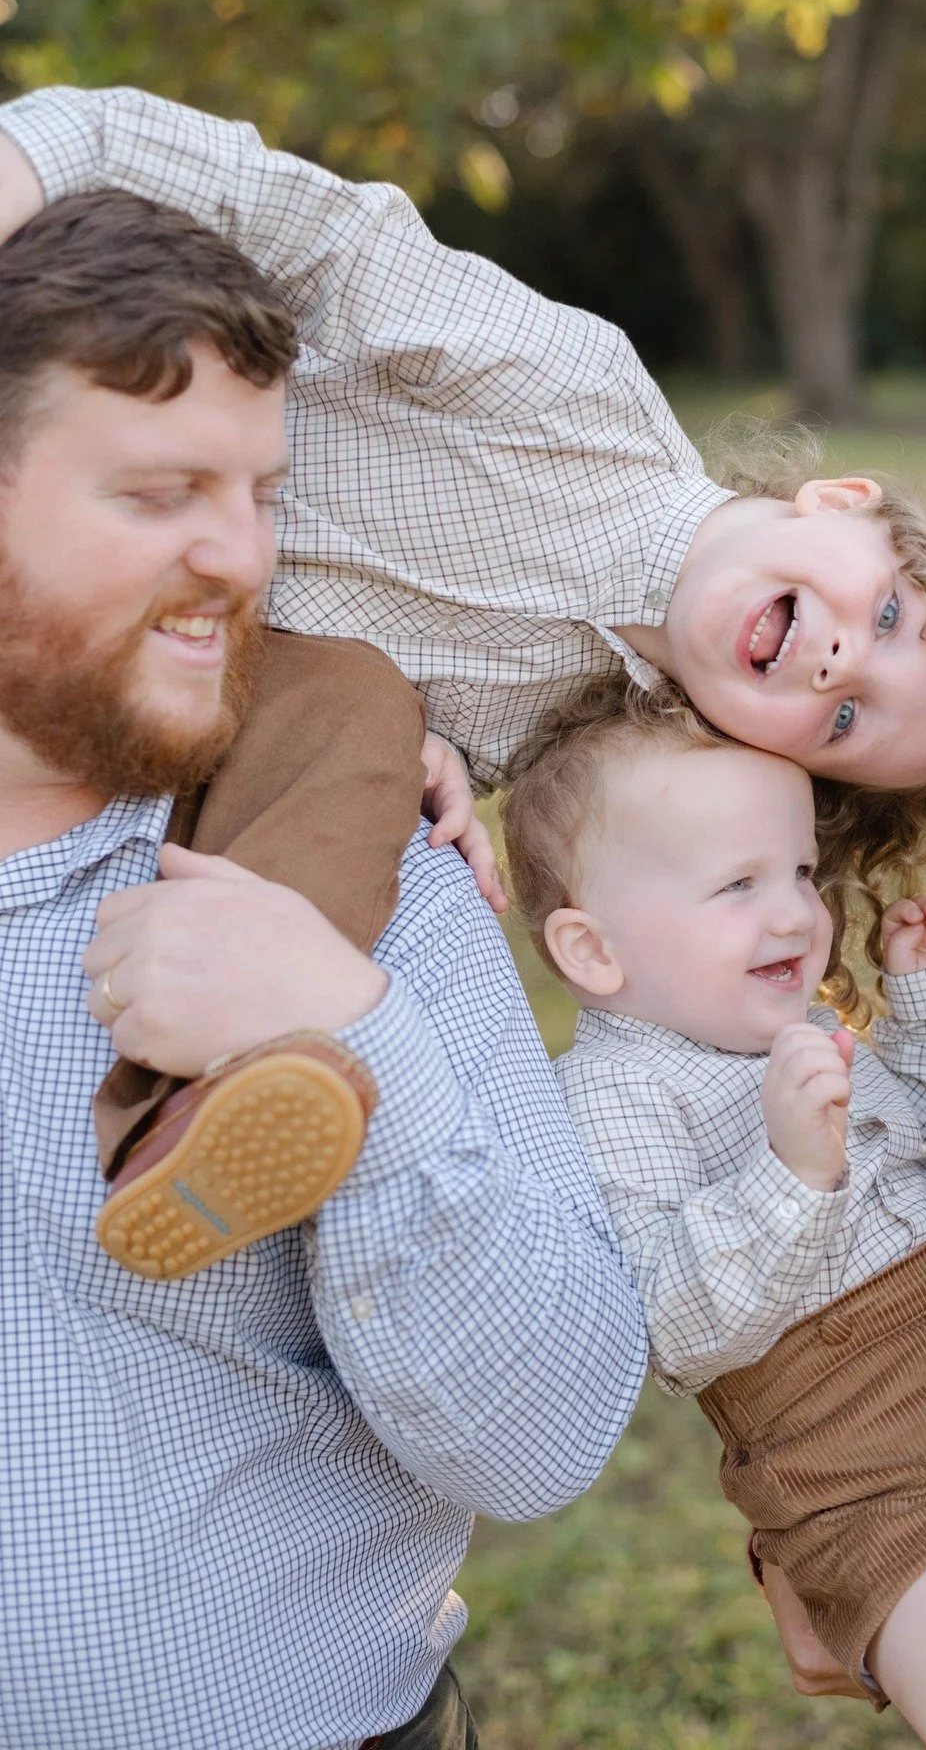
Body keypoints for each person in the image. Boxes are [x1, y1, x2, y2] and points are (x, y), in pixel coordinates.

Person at [0, 87, 926, 1270]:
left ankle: (190, 1108)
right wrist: (31, 166)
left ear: (775, 757)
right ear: (841, 500)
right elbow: (316, 233)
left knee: (360, 723)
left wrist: (427, 756)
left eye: (844, 719)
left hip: (175, 657)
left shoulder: (583, 744)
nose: (844, 661)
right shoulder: (575, 394)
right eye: (888, 612)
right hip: (104, 454)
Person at [0, 187, 647, 1747]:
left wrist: (348, 1027)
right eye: (162, 496)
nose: (238, 558)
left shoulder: (355, 882)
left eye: (264, 496)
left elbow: (544, 1436)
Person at [498, 677, 926, 1750]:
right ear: (595, 951)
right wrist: (789, 1171)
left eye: (798, 871)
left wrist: (924, 1007)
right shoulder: (613, 1096)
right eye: (737, 883)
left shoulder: (793, 1020)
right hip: (880, 1460)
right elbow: (673, 1326)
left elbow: (920, 1153)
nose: (794, 910)